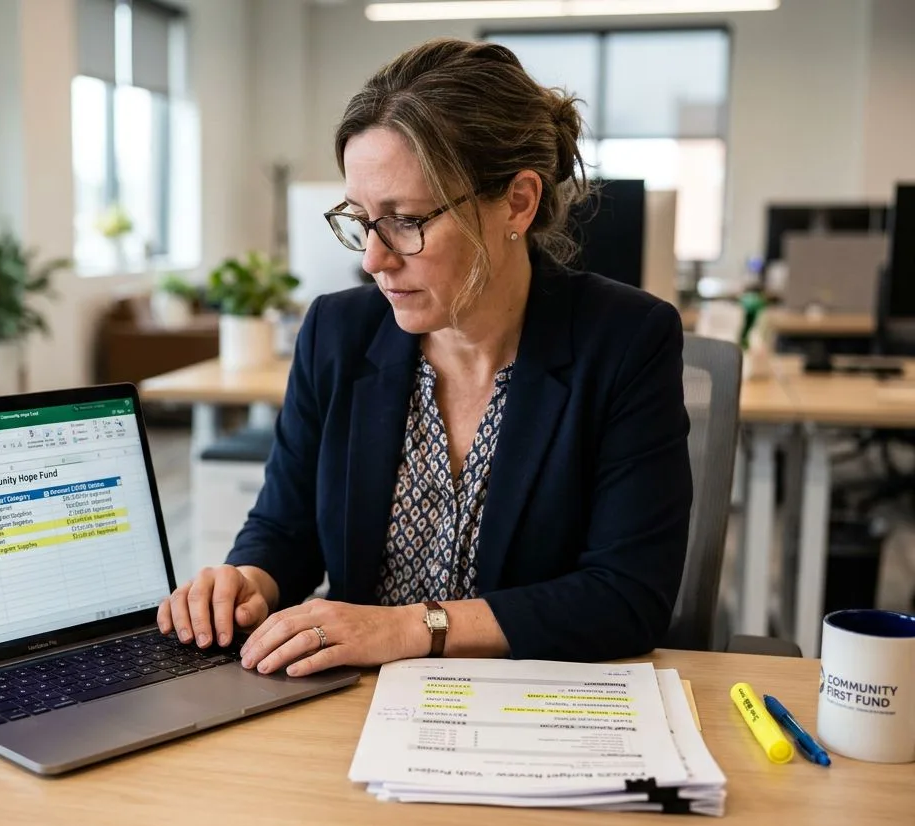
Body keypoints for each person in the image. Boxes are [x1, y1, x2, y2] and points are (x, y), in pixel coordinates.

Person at [158, 38, 692, 675]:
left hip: (529, 712)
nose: (373, 260)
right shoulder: (337, 330)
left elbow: (628, 596)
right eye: (361, 219)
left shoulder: (626, 339)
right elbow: (287, 528)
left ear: (518, 202)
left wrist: (407, 629)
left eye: (406, 219)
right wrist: (249, 582)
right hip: (350, 709)